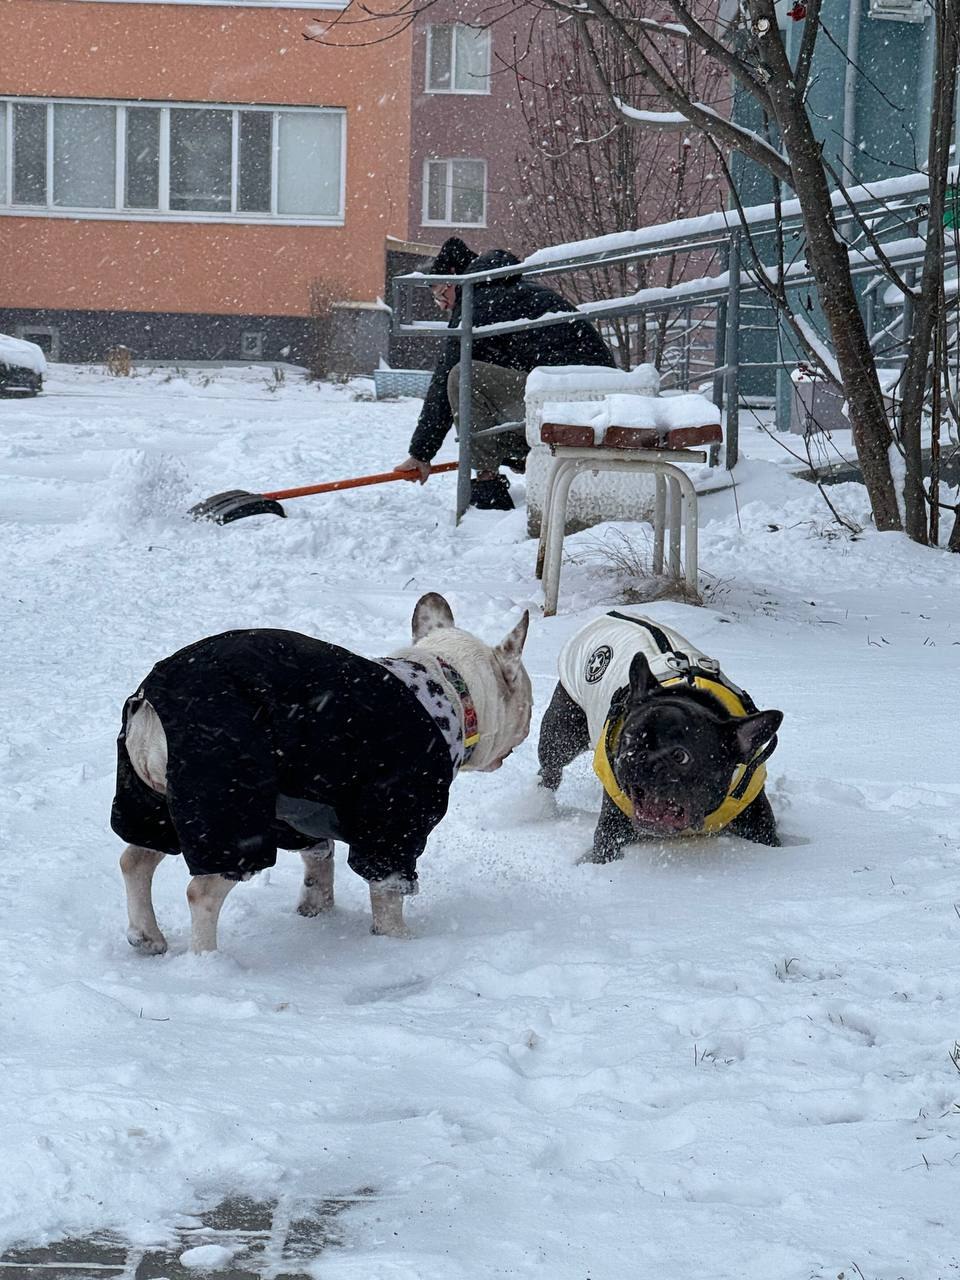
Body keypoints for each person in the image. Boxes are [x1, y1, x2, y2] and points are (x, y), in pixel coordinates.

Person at [394, 236, 615, 511]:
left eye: (440, 295)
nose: (442, 306)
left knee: (462, 377)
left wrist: (421, 453)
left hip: (576, 397)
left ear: (453, 277)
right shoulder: (504, 288)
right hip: (593, 393)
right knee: (482, 391)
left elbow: (444, 380)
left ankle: (488, 487)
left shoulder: (476, 299)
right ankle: (519, 457)